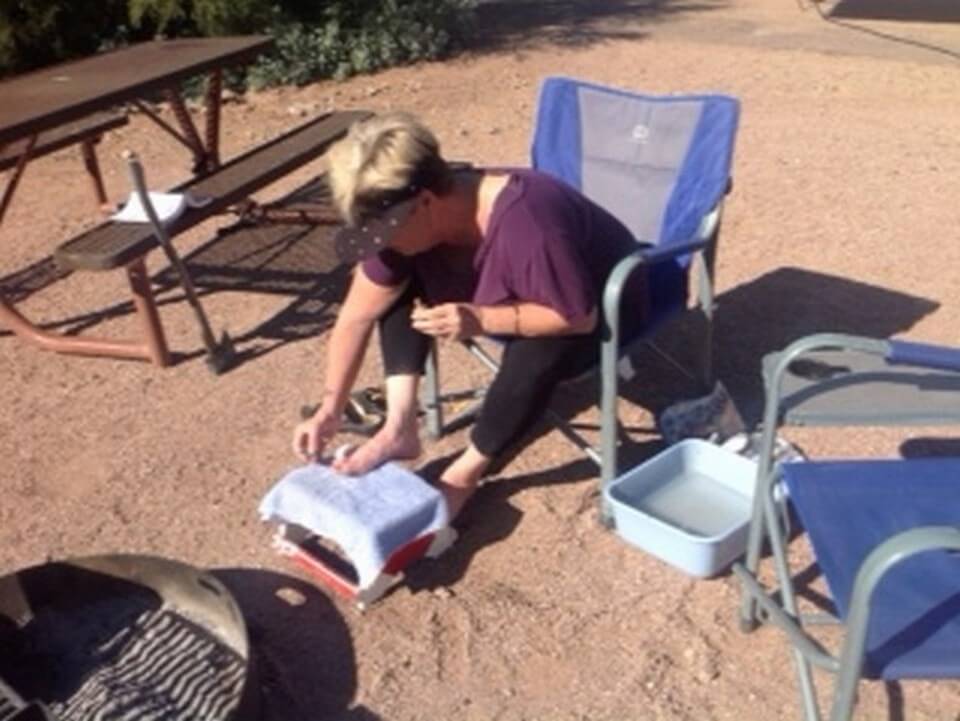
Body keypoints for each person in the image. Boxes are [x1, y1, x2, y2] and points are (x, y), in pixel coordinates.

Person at [292, 111, 649, 519]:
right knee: (398, 286)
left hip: (602, 306)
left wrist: (483, 320)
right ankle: (399, 428)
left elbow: (576, 317)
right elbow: (357, 315)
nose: (382, 243)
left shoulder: (527, 222)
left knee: (541, 348)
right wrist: (330, 409)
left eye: (386, 230)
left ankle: (463, 476)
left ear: (425, 201)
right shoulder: (420, 214)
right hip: (518, 295)